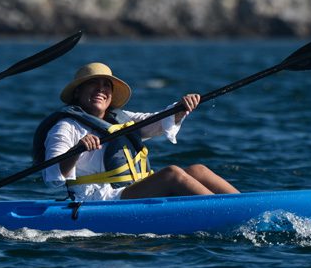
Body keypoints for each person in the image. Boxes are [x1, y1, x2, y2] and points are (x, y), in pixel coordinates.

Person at [33, 62, 238, 202]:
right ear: (78, 92)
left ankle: (250, 207)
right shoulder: (65, 127)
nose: (100, 90)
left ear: (111, 96)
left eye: (106, 86)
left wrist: (181, 107)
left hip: (130, 189)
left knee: (198, 170)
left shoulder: (122, 118)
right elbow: (53, 176)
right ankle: (224, 212)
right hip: (97, 199)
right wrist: (77, 150)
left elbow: (157, 122)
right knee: (171, 174)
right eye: (92, 84)